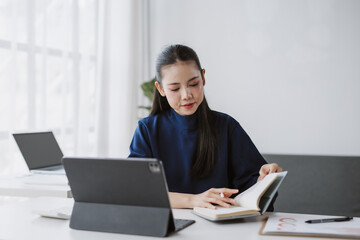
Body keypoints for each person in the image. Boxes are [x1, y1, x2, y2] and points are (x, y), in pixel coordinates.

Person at [129, 44, 282, 209]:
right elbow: (137, 191)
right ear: (161, 89)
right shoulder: (147, 130)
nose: (186, 95)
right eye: (175, 88)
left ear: (203, 78)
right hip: (169, 228)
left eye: (194, 84)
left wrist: (264, 180)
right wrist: (194, 200)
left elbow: (252, 191)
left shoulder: (227, 127)